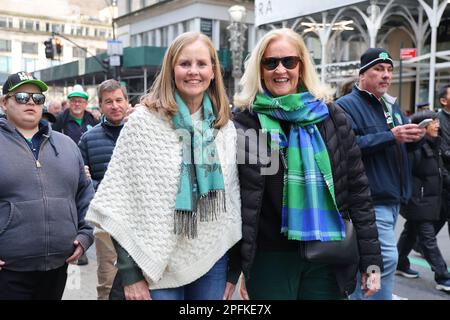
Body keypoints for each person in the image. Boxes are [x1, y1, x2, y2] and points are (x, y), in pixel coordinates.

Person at [86, 32, 242, 300]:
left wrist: (233, 271)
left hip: (212, 260)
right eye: (184, 64)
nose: (193, 72)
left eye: (201, 64)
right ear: (171, 69)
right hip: (155, 266)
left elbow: (233, 203)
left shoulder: (224, 128)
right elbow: (120, 202)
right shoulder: (143, 123)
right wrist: (130, 275)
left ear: (213, 71)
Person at [229, 28, 382, 300]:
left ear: (301, 65)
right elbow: (234, 199)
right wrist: (235, 267)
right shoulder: (243, 122)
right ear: (259, 69)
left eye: (289, 61)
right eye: (270, 62)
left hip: (326, 254)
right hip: (269, 259)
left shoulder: (332, 117)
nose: (280, 70)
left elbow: (358, 192)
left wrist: (372, 261)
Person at [336, 48, 426, 300]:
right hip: (370, 198)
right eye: (378, 69)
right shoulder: (346, 106)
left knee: (368, 261)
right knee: (384, 259)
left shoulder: (391, 105)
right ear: (362, 74)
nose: (386, 76)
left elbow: (399, 146)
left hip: (394, 198)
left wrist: (415, 138)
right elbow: (347, 148)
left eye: (389, 70)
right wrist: (391, 136)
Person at [0, 71, 94, 299]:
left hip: (57, 267)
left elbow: (85, 195)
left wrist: (85, 236)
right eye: (22, 96)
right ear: (4, 102)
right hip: (8, 270)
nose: (31, 102)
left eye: (38, 98)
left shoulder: (67, 145)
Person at [78, 79, 129, 300]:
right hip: (107, 220)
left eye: (119, 100)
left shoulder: (143, 133)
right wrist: (101, 184)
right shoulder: (88, 139)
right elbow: (81, 183)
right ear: (100, 105)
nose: (115, 105)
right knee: (108, 281)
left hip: (142, 219)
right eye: (109, 102)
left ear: (127, 102)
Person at [396, 110, 450, 292]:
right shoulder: (415, 149)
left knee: (410, 233)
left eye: (436, 121)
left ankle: (399, 262)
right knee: (428, 239)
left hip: (429, 200)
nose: (437, 125)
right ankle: (443, 277)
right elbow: (405, 175)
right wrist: (412, 198)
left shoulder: (435, 145)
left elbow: (439, 172)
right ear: (421, 127)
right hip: (418, 201)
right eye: (432, 122)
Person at [53, 84, 98, 266]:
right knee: (69, 207)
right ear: (69, 103)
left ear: (86, 103)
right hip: (64, 168)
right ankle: (72, 245)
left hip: (86, 170)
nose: (77, 104)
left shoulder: (92, 120)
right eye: (73, 100)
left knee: (84, 206)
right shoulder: (60, 121)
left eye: (80, 101)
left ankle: (83, 244)